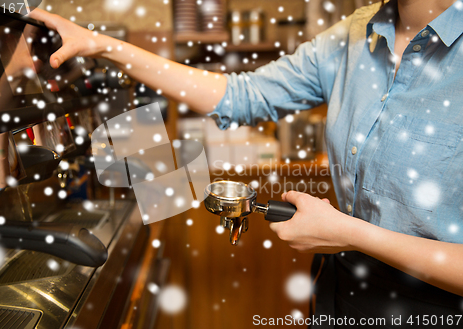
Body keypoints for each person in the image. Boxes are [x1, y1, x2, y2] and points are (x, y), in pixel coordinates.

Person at [29, 0, 463, 326]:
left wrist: (350, 233)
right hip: (341, 290)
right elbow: (240, 96)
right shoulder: (356, 32)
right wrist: (105, 46)